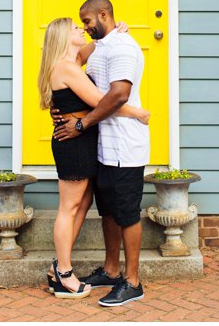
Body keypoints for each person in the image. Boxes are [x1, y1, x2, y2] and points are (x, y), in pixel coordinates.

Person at [37, 17, 149, 299]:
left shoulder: (72, 60)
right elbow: (104, 102)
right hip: (73, 145)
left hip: (84, 142)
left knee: (82, 203)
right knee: (69, 206)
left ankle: (58, 267)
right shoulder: (67, 68)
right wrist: (137, 112)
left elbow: (98, 41)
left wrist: (116, 30)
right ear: (64, 37)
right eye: (76, 28)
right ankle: (63, 272)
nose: (82, 29)